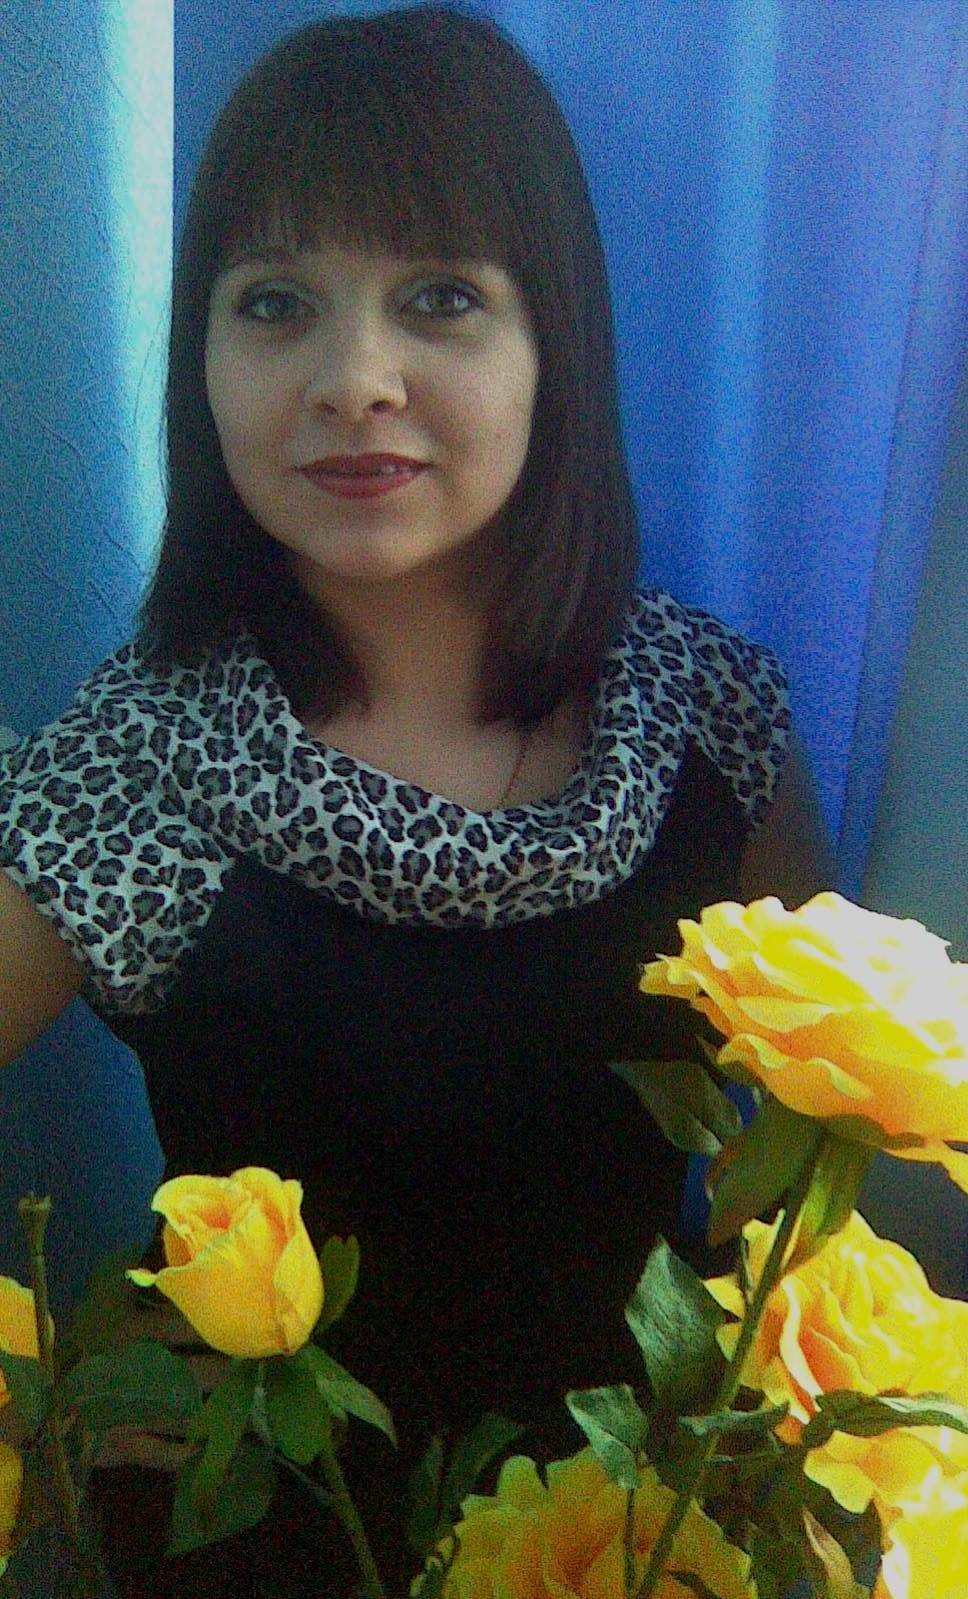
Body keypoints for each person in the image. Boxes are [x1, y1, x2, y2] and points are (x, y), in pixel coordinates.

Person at [0, 6, 836, 1594]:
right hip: (263, 1557)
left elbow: (817, 1187)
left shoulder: (710, 722)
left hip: (625, 1546)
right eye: (275, 304)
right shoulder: (146, 757)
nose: (354, 379)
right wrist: (61, 1383)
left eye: (441, 297)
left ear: (553, 347)